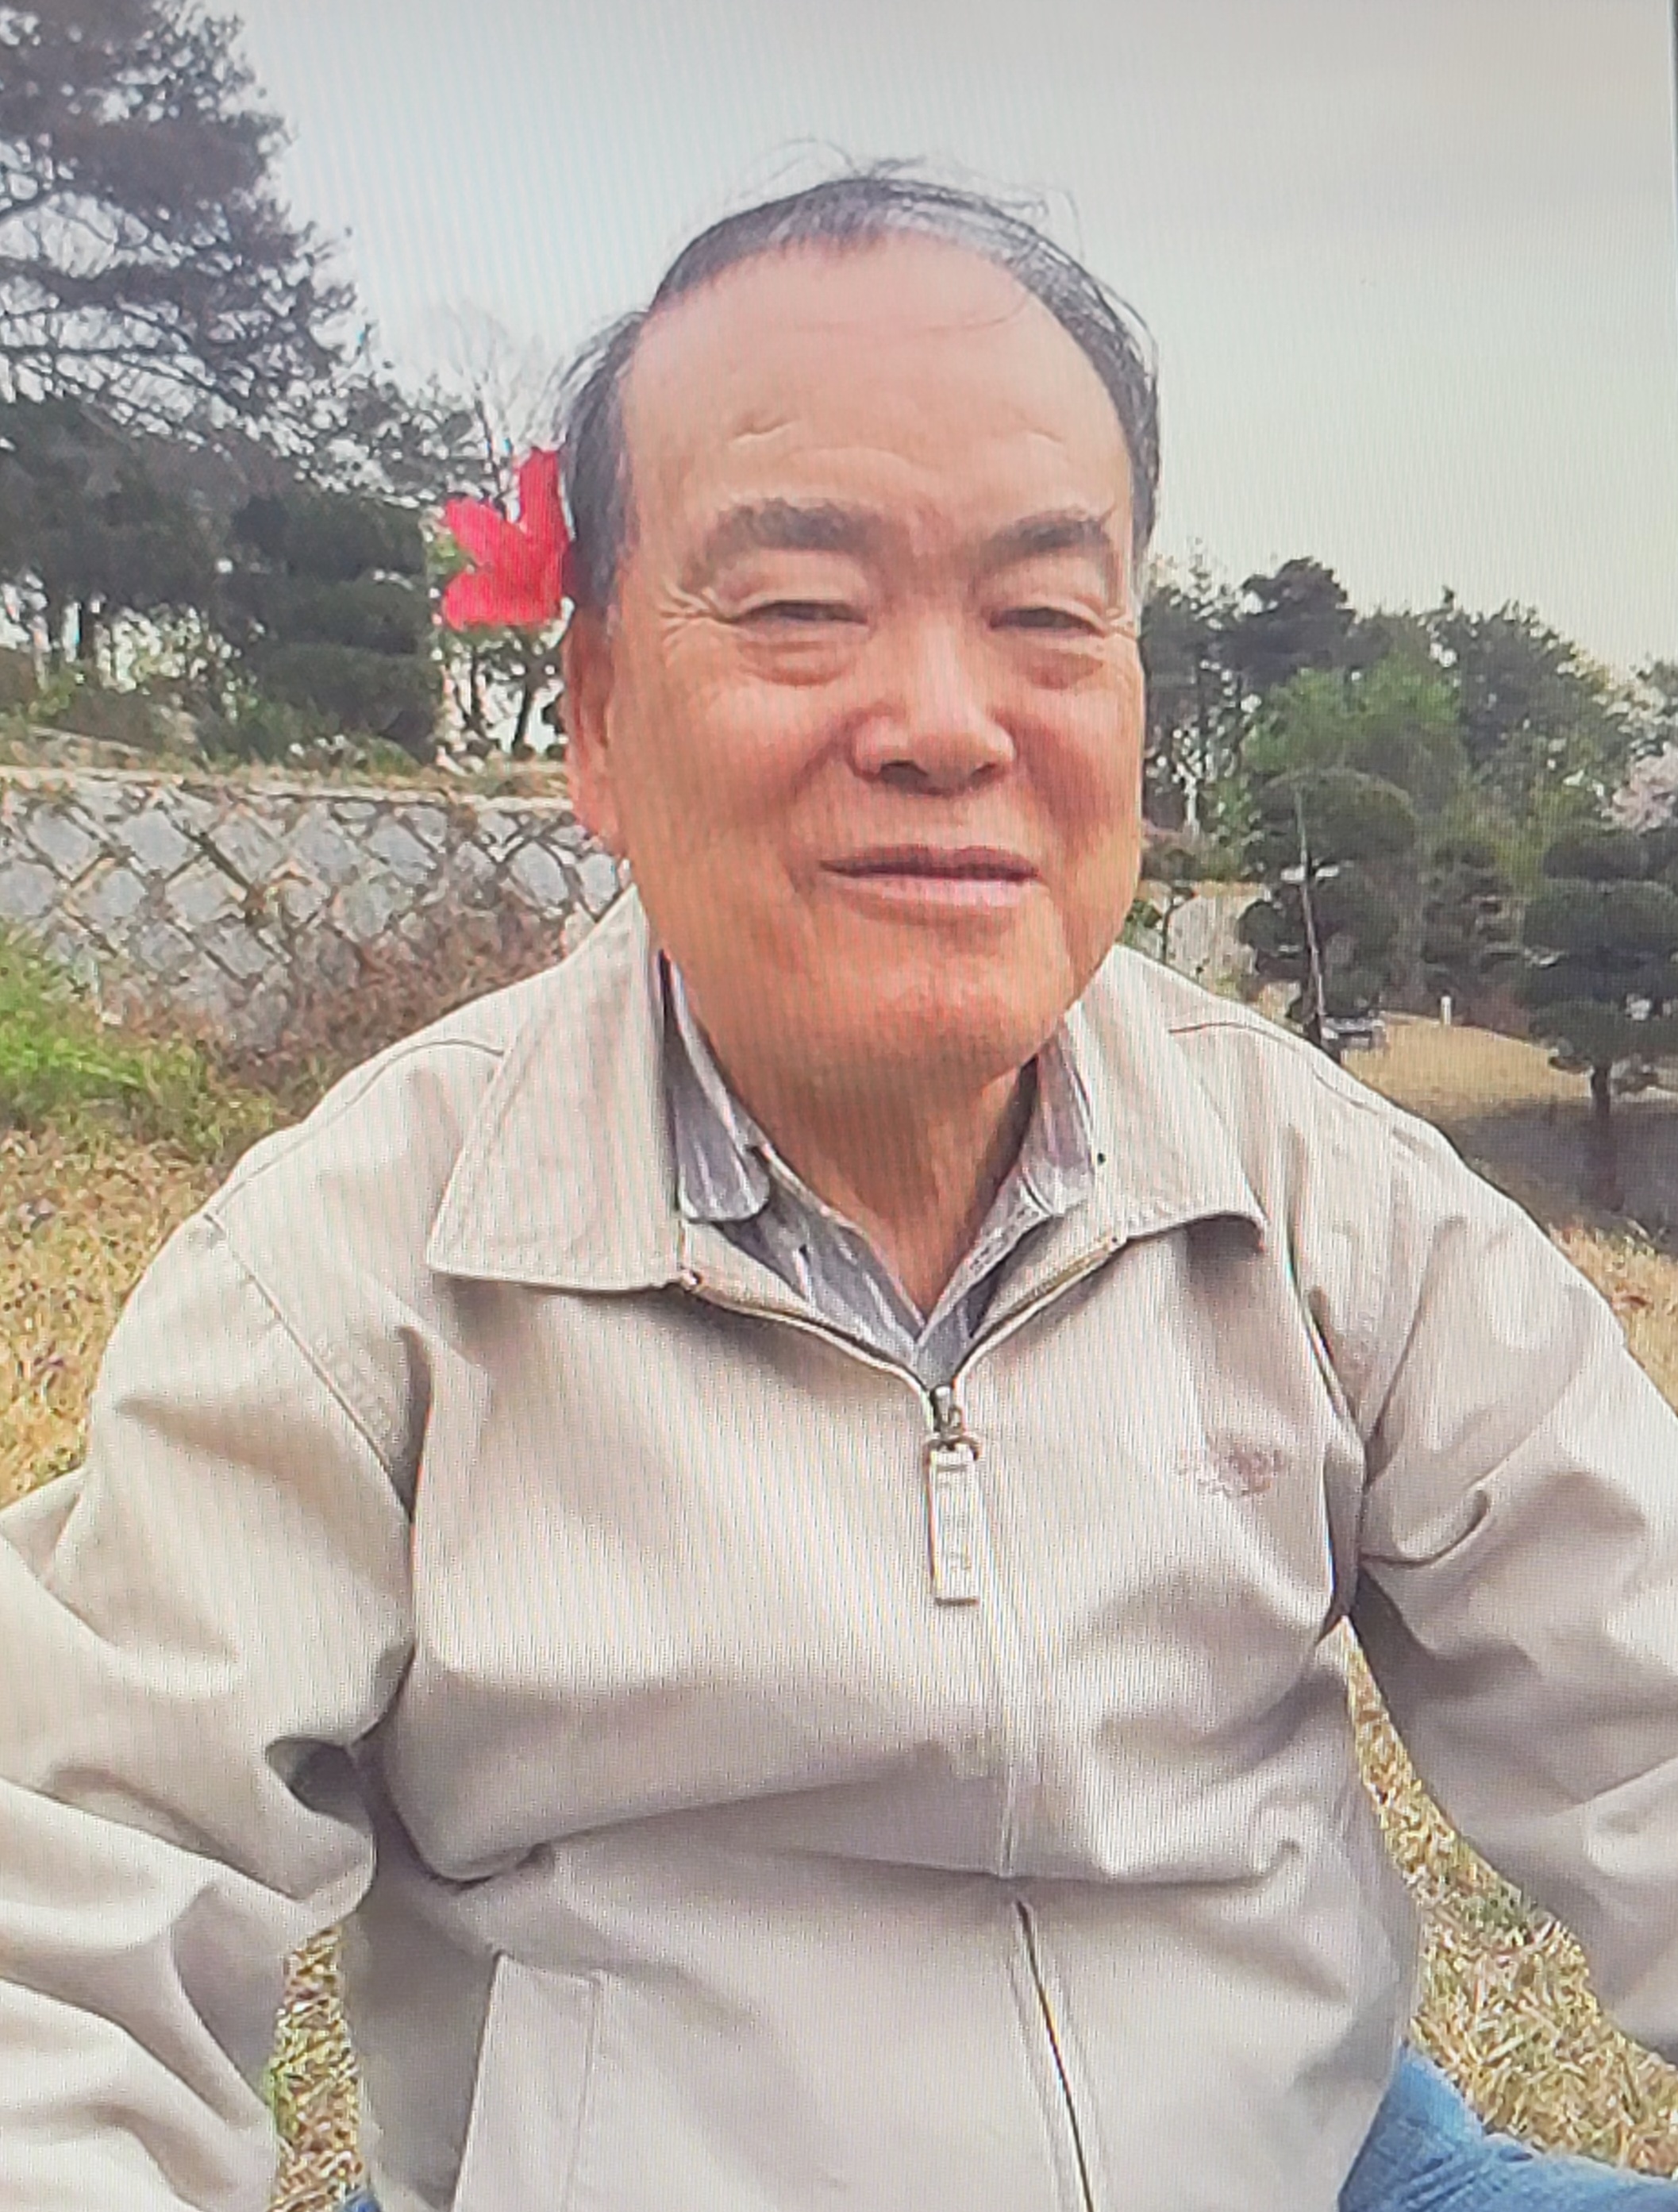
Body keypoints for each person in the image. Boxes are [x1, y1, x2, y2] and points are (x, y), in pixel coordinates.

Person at [2, 168, 1676, 2212]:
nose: (946, 725)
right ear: (597, 717)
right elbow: (65, 1943)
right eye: (800, 606)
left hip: (1305, 2162)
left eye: (1044, 615)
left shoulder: (1330, 1204)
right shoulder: (349, 1279)